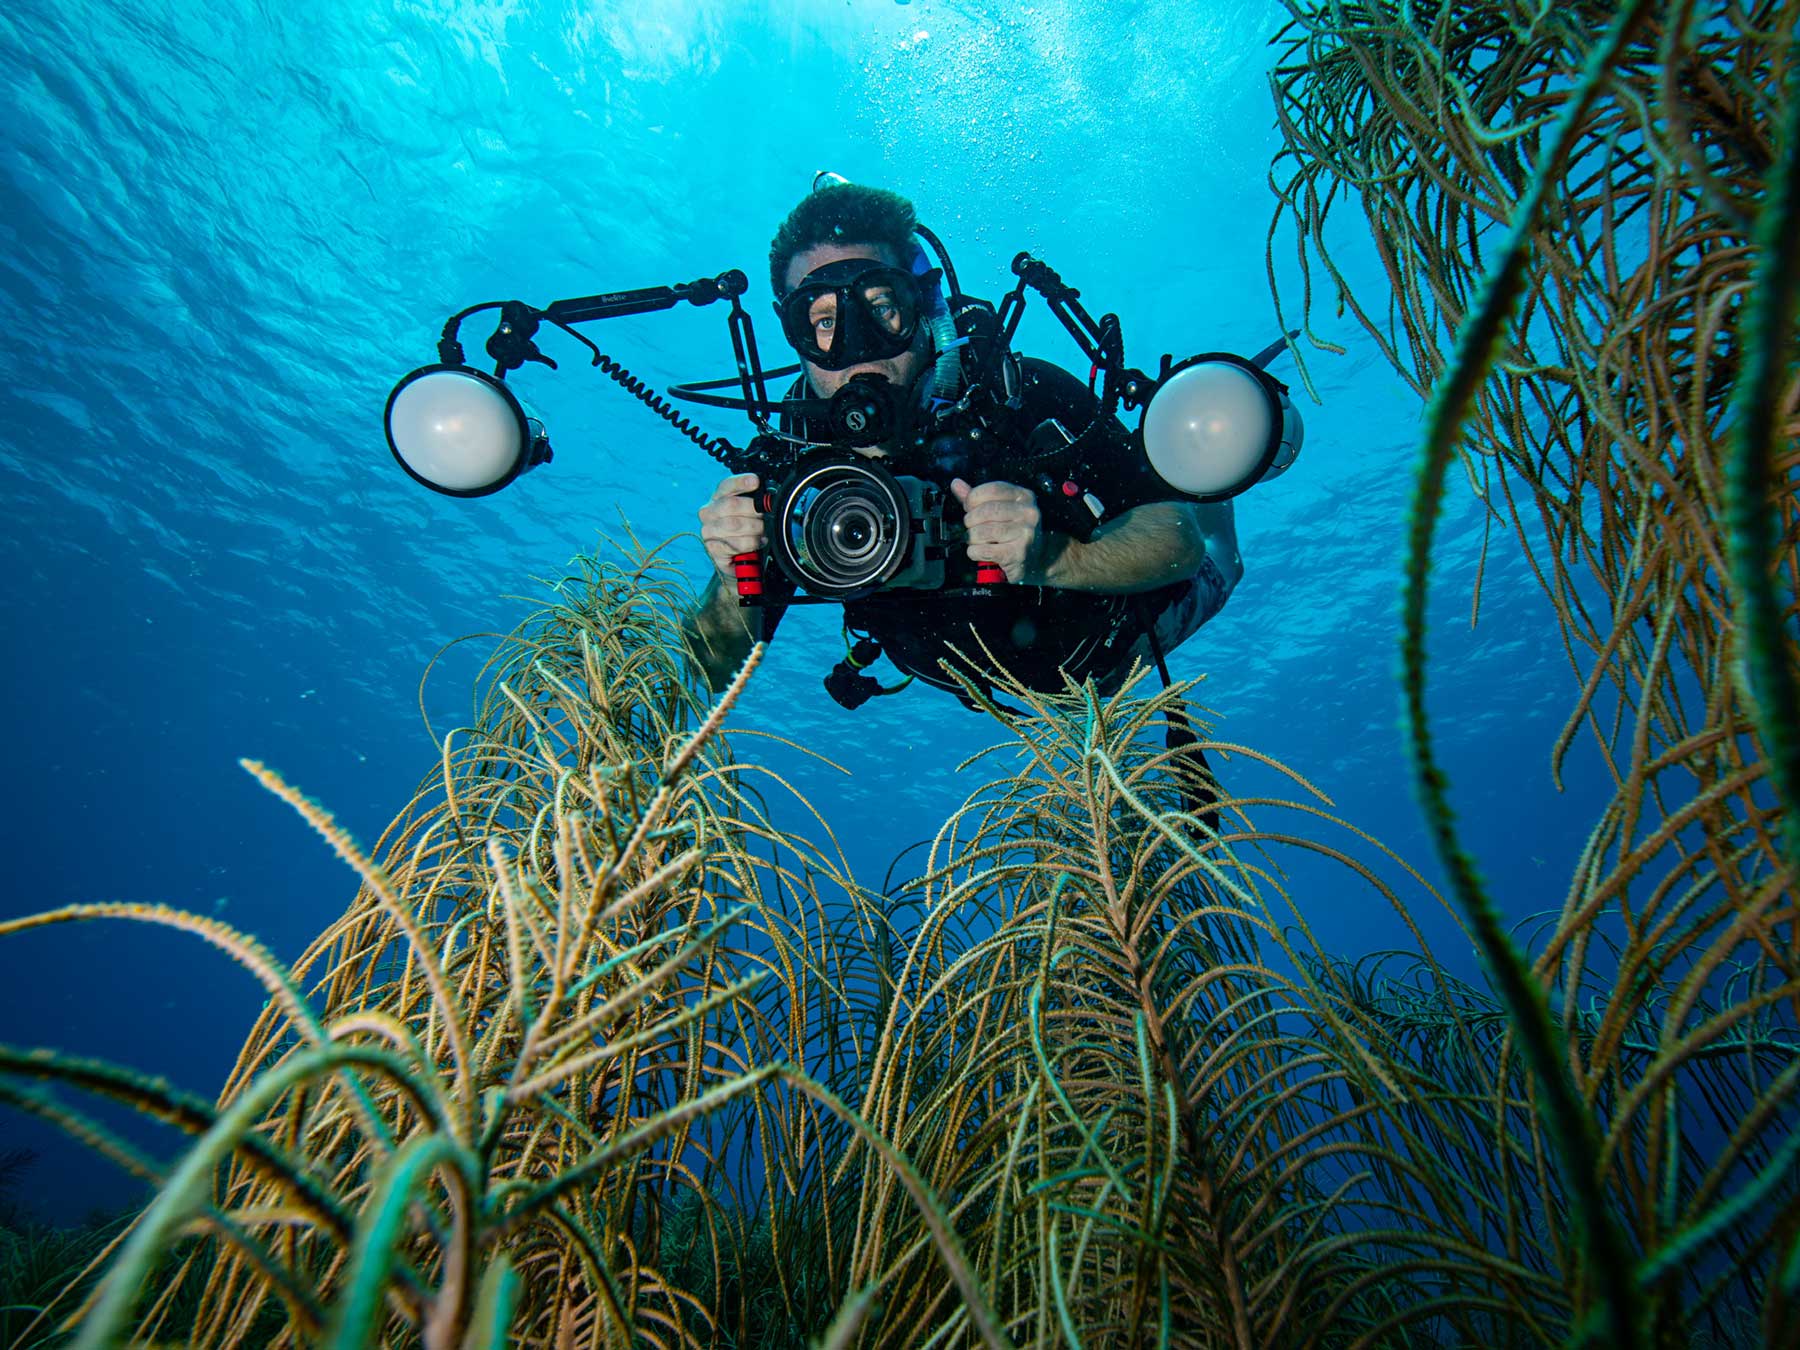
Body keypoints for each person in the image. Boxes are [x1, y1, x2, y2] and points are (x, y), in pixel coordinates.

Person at [682, 183, 1242, 708]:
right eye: (823, 319)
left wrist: (1057, 558)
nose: (856, 344)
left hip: (1114, 648)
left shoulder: (1016, 396)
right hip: (997, 699)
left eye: (881, 307)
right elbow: (707, 672)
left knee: (1220, 560)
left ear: (924, 308)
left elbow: (1177, 540)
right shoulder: (788, 473)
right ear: (792, 332)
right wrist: (735, 581)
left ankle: (1209, 465)